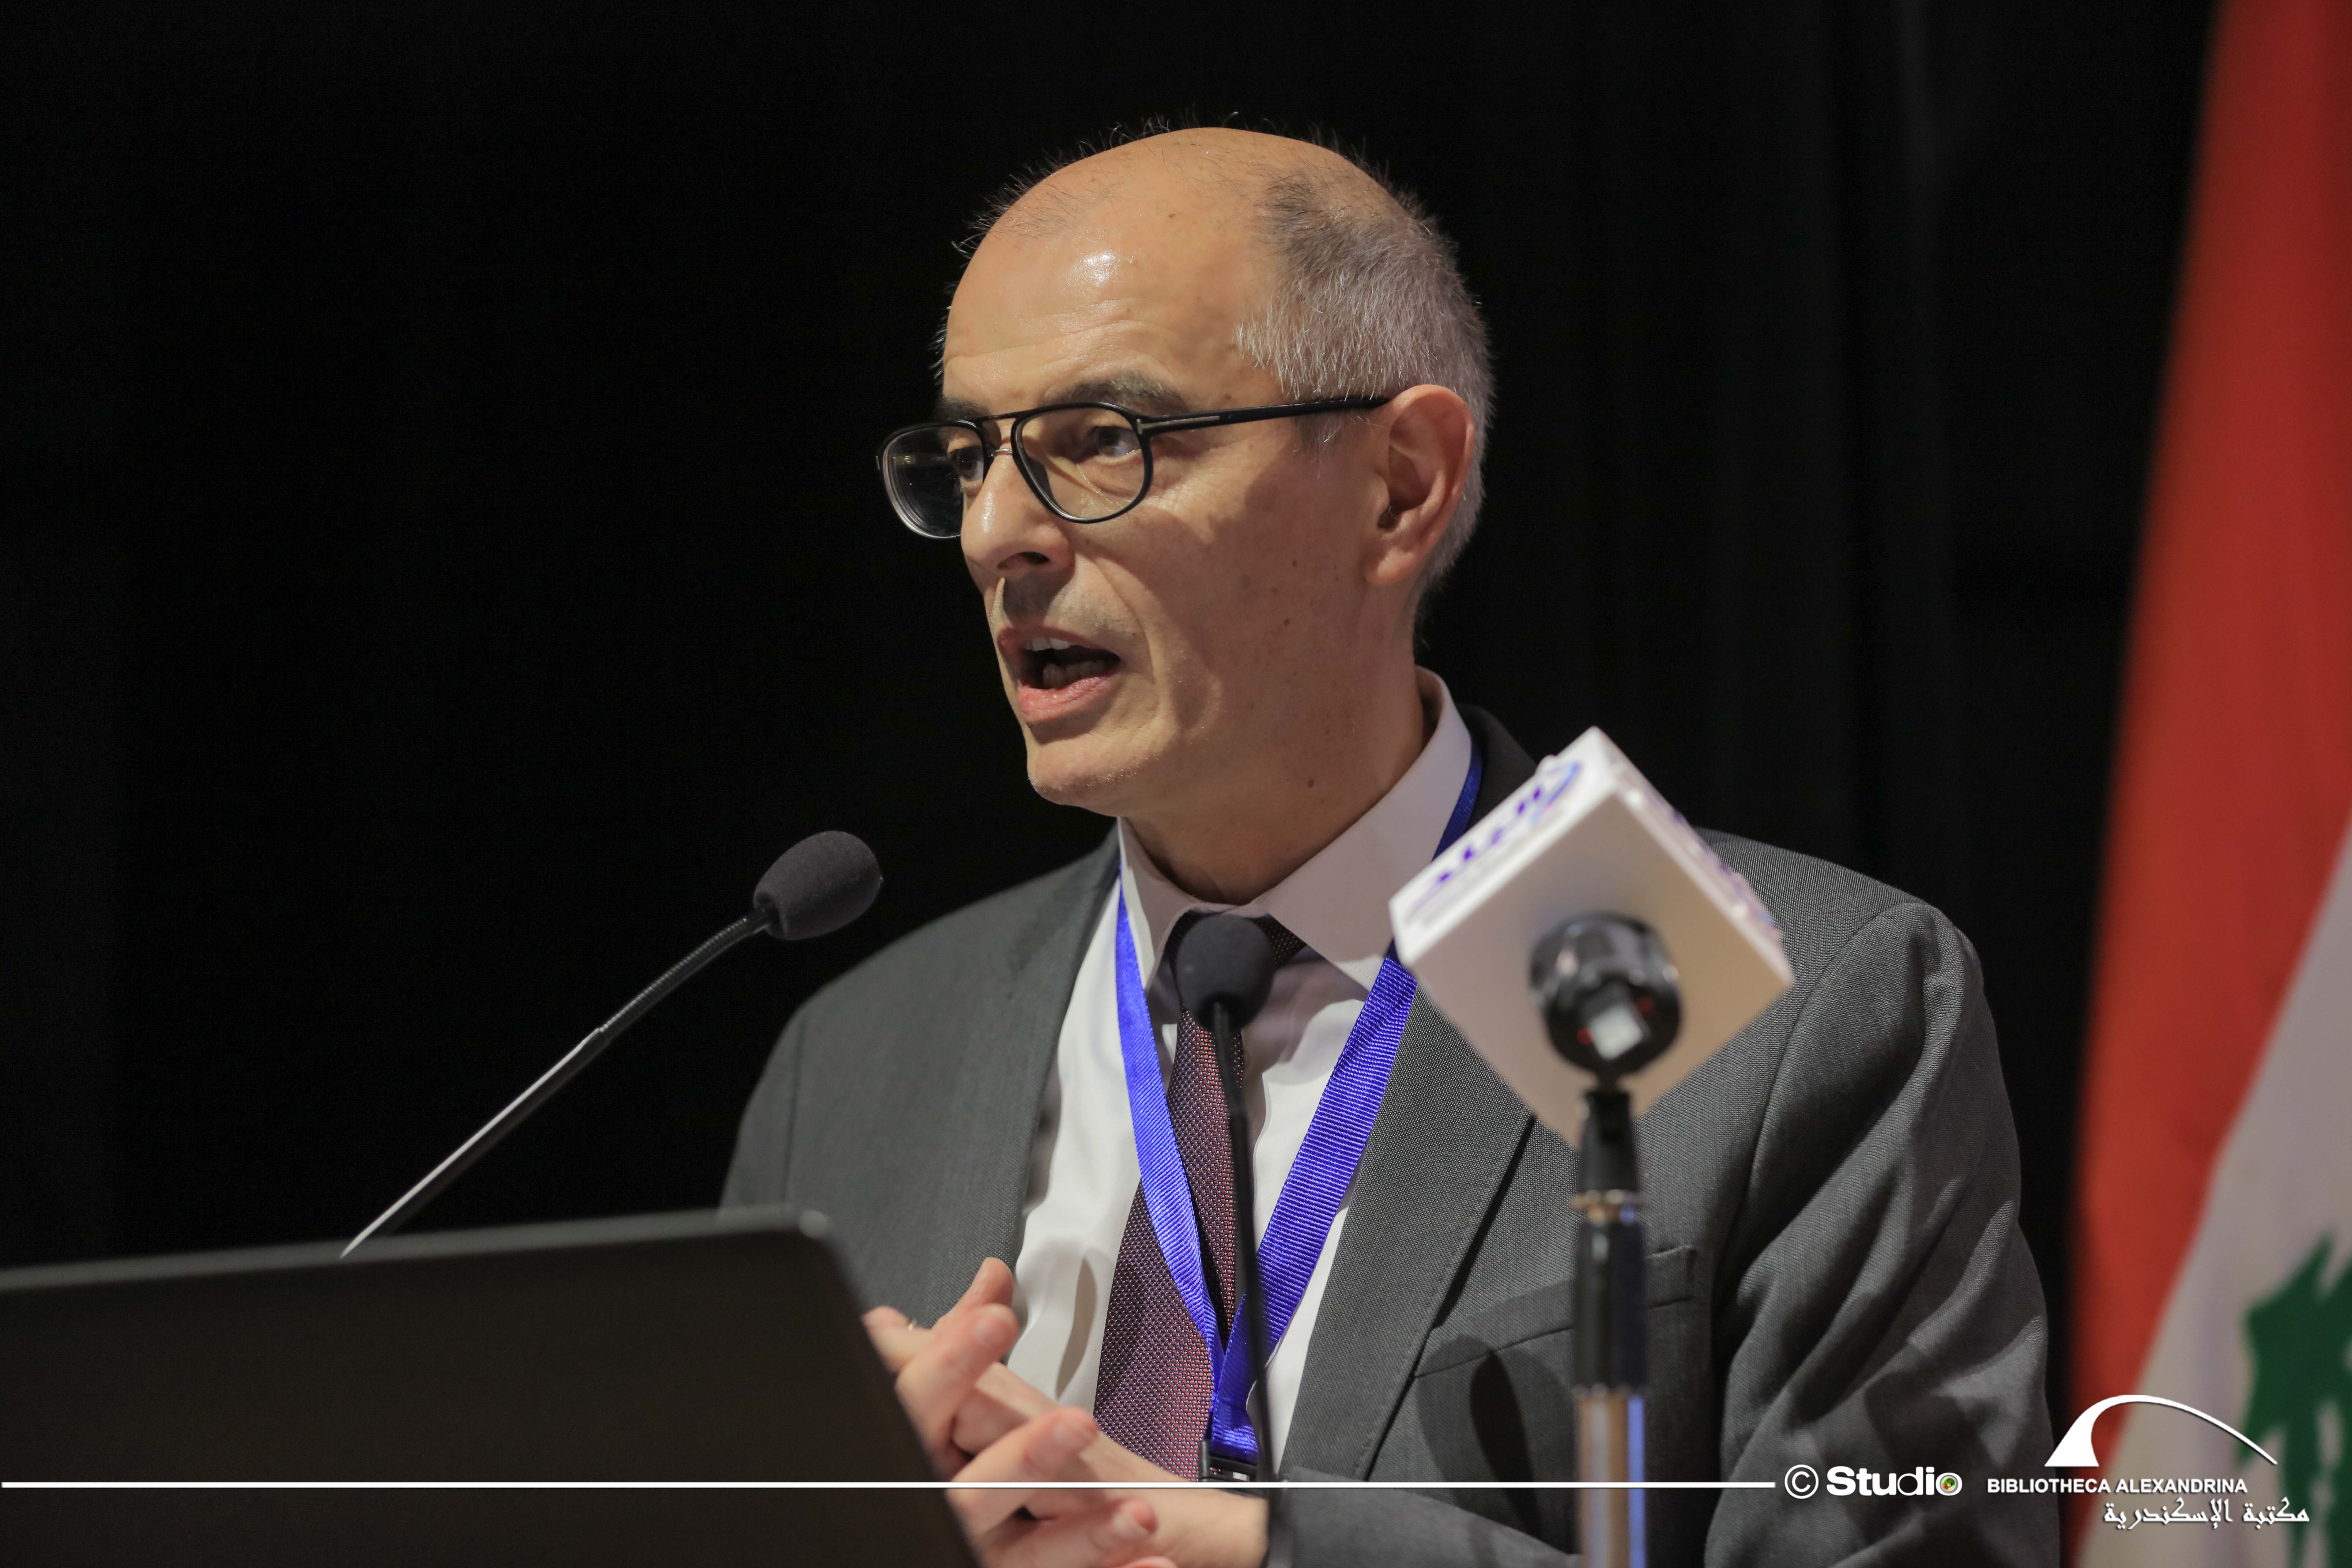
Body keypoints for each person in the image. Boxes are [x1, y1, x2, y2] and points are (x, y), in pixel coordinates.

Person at [726, 126, 2057, 1567]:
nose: (997, 532)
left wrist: (1263, 1549)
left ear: (1401, 485)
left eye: (1102, 440)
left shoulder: (1773, 998)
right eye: (970, 457)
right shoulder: (858, 1056)